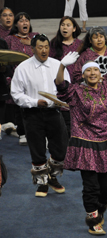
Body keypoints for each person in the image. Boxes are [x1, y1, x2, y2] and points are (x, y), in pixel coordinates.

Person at [55, 53, 107, 235]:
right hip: (85, 142)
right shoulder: (76, 91)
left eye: (96, 69)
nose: (93, 73)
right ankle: (93, 220)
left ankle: (99, 209)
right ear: (83, 75)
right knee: (91, 186)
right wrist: (62, 66)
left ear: (101, 74)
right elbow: (61, 85)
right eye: (88, 71)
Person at [10, 34, 70, 197]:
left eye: (46, 47)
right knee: (37, 149)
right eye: (40, 47)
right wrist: (35, 102)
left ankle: (52, 177)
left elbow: (67, 89)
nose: (44, 51)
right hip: (32, 114)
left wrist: (61, 101)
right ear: (32, 48)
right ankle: (42, 183)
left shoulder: (58, 65)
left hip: (54, 112)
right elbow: (16, 94)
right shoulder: (23, 68)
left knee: (61, 149)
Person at [74, 26, 107, 136]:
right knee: (102, 127)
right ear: (90, 40)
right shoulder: (85, 56)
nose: (99, 39)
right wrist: (90, 80)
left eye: (101, 36)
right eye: (96, 37)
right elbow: (77, 76)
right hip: (97, 97)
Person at [5, 12, 39, 145]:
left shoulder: (36, 36)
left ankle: (36, 131)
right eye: (21, 20)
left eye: (27, 20)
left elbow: (45, 51)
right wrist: (9, 79)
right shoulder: (10, 39)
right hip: (17, 78)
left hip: (34, 78)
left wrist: (32, 43)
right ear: (16, 24)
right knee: (20, 106)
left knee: (35, 106)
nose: (24, 22)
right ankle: (22, 133)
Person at [50, 16, 82, 137]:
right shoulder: (54, 44)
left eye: (68, 25)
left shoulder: (81, 44)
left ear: (74, 29)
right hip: (61, 86)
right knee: (64, 125)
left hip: (77, 87)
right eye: (62, 25)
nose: (64, 27)